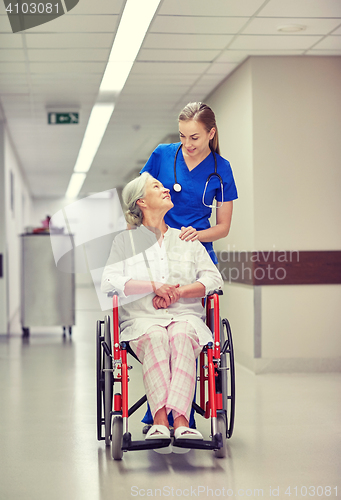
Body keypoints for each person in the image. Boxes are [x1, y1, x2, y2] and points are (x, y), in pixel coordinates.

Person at [101, 173, 223, 448]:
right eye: (157, 187)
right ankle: (159, 421)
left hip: (185, 318)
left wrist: (179, 292)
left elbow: (214, 279)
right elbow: (109, 281)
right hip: (143, 322)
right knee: (156, 336)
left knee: (180, 335)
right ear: (141, 202)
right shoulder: (125, 242)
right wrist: (153, 287)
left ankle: (181, 422)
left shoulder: (187, 239)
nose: (165, 188)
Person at [140, 101, 238, 265]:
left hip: (198, 254)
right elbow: (139, 202)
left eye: (194, 137)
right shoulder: (162, 155)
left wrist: (197, 235)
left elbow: (223, 227)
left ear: (211, 133)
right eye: (182, 136)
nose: (187, 144)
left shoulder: (222, 168)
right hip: (159, 250)